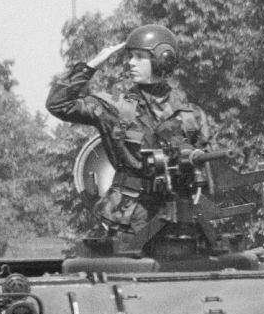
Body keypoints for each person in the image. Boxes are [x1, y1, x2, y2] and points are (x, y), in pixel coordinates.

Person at [46, 23, 215, 234]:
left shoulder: (192, 115)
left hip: (181, 216)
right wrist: (92, 65)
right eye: (130, 56)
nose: (130, 63)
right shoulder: (114, 107)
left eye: (138, 56)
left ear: (162, 60)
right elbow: (58, 104)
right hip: (125, 216)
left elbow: (210, 172)